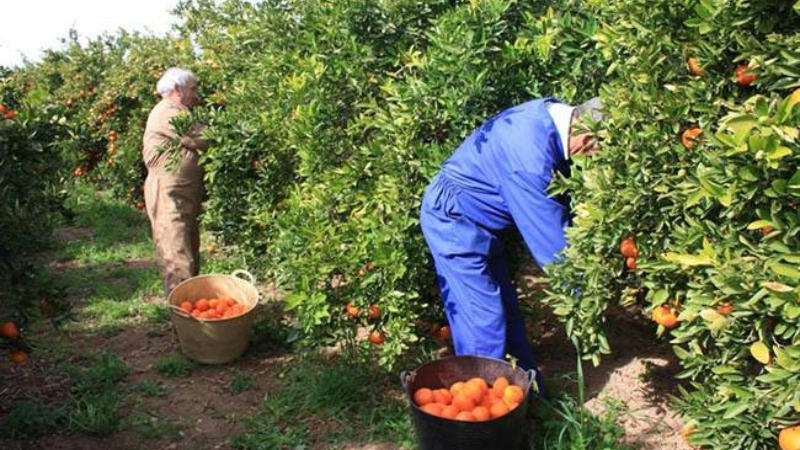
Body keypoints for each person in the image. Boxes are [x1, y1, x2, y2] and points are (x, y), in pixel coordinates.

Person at [419, 97, 603, 388]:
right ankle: (480, 414)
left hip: (481, 224)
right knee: (483, 319)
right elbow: (553, 246)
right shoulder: (528, 160)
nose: (593, 157)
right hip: (453, 220)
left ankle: (523, 395)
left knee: (506, 312)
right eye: (597, 149)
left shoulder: (550, 117)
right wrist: (590, 292)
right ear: (584, 134)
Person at [142, 67, 207, 297]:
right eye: (192, 88)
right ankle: (184, 321)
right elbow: (200, 136)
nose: (197, 94)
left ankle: (194, 319)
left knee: (188, 253)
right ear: (177, 90)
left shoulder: (180, 111)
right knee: (176, 256)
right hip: (168, 196)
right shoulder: (167, 112)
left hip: (182, 197)